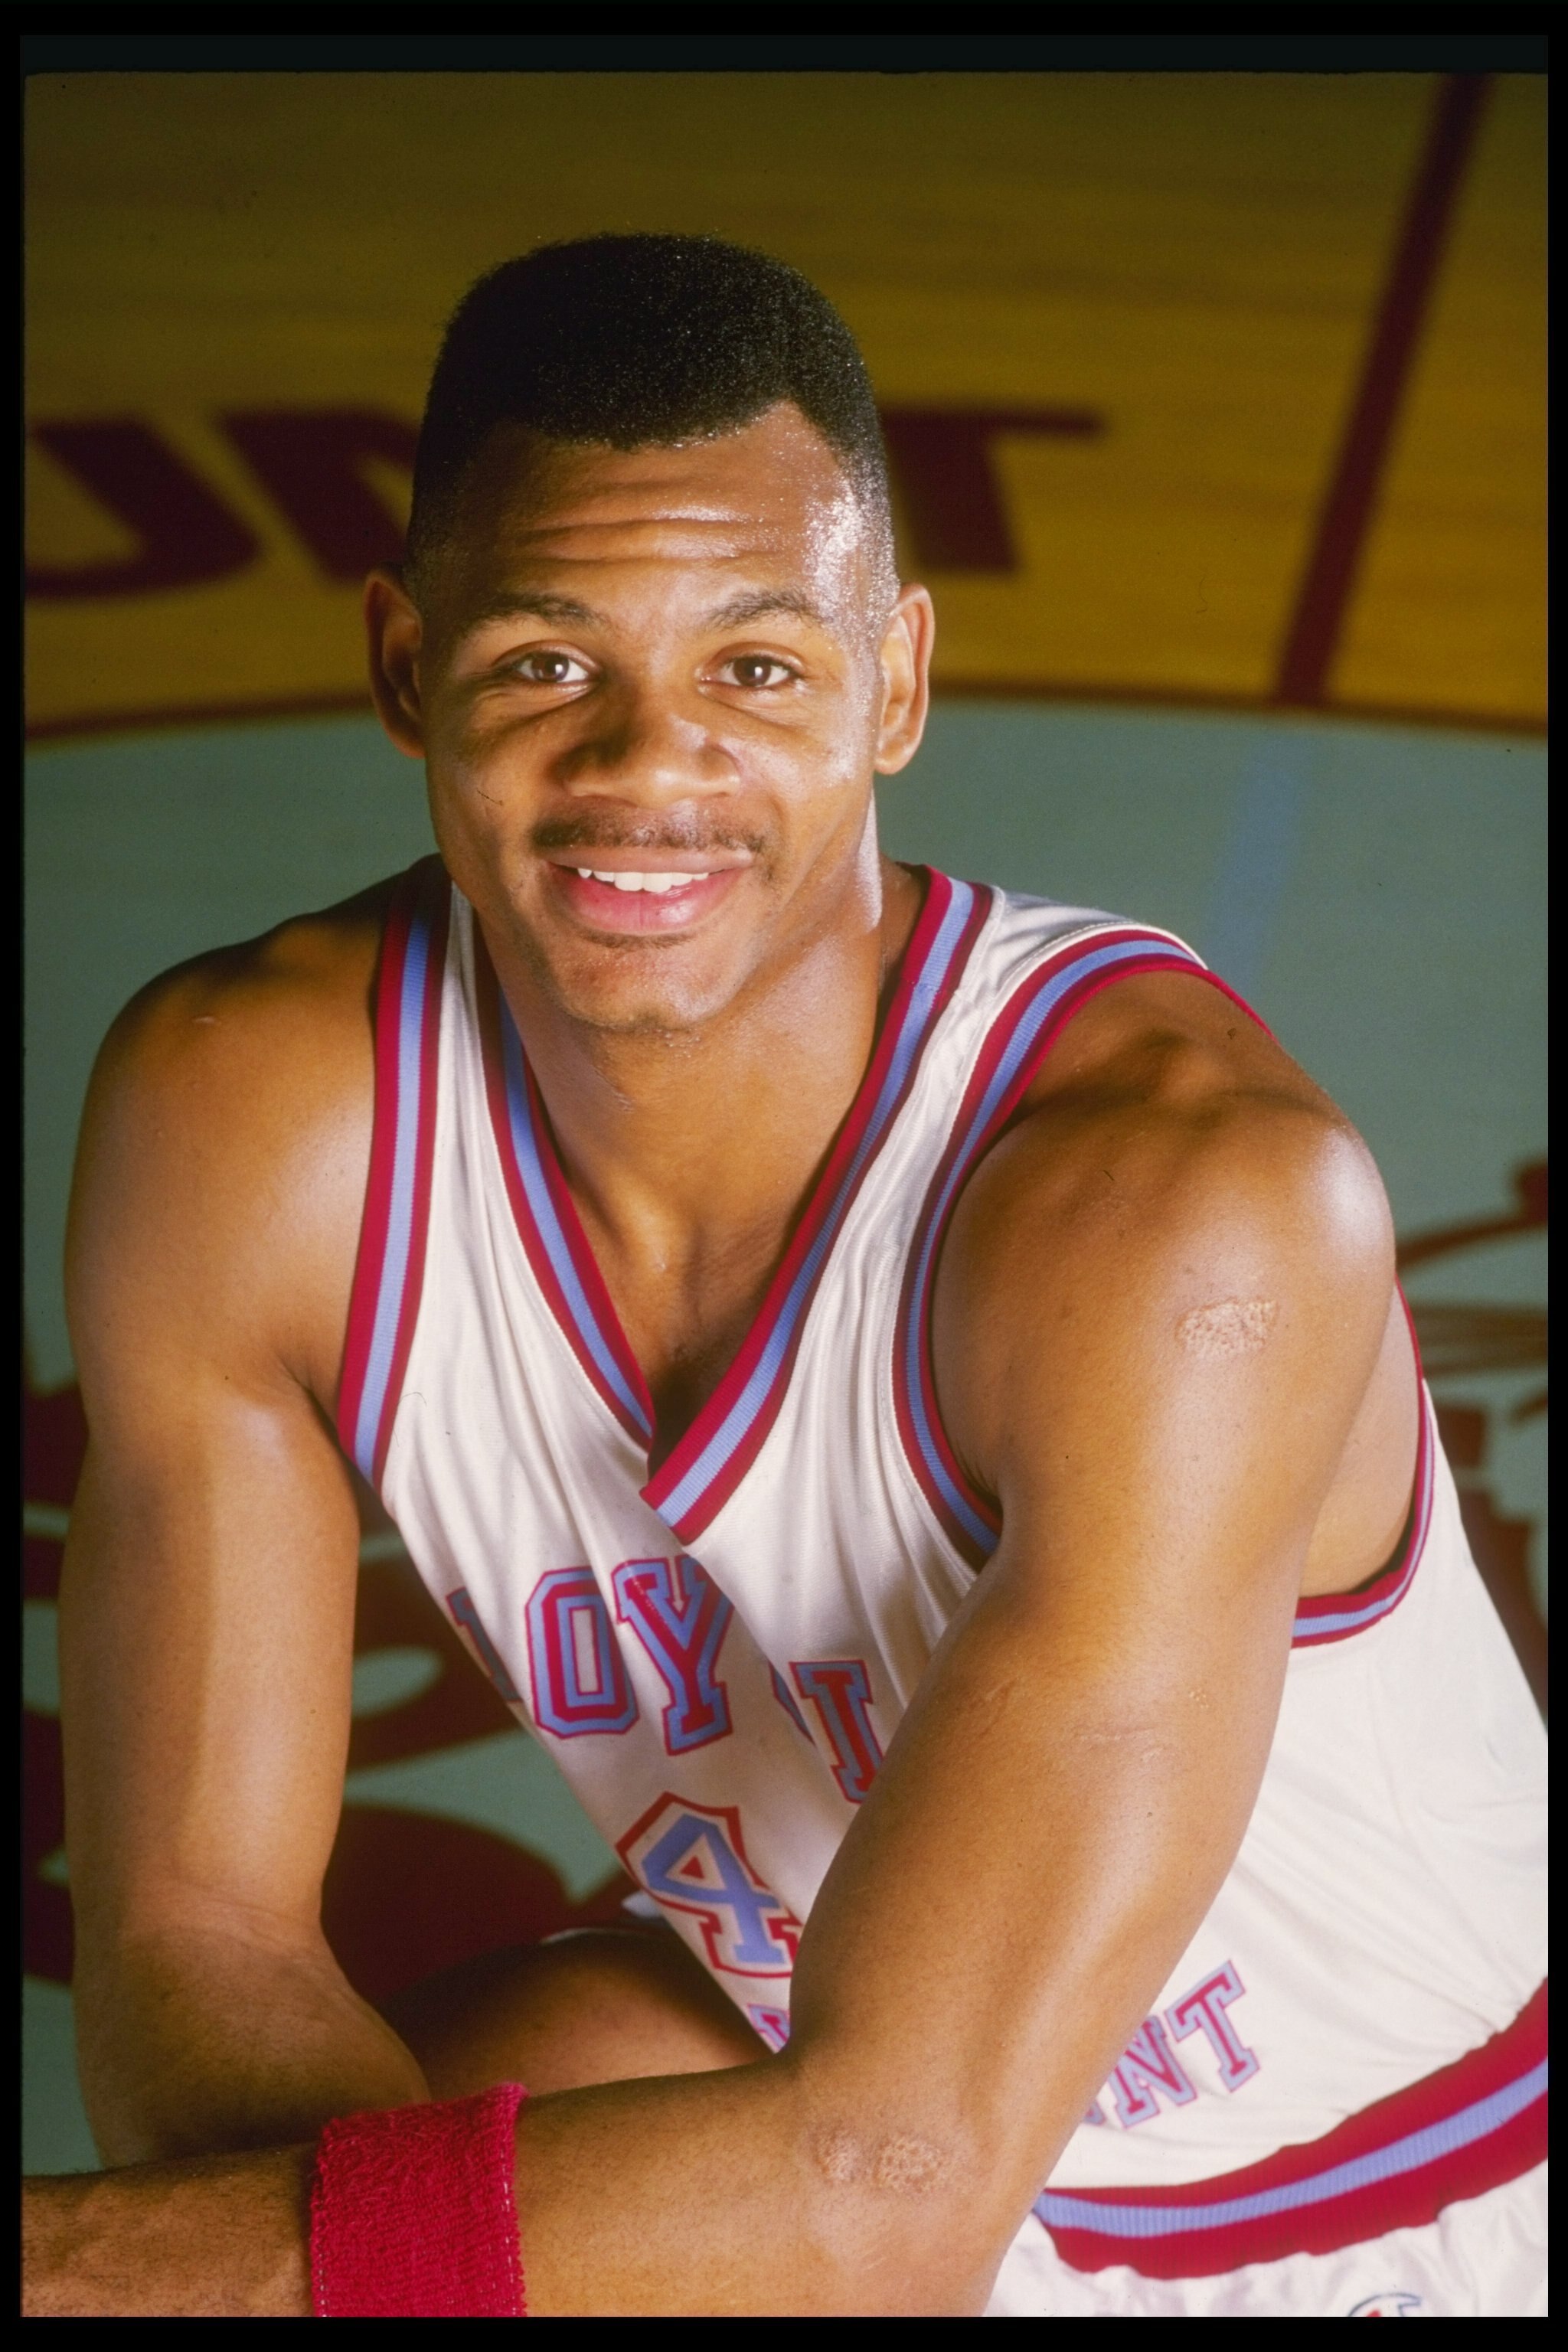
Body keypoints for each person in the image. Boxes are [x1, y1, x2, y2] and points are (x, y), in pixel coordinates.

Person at [26, 236, 1544, 2318]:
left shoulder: (1183, 1217)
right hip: (787, 2110)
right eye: (547, 662)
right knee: (405, 2146)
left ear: (896, 685)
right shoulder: (254, 1128)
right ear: (404, 668)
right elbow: (202, 1941)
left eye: (757, 668)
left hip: (1405, 2208)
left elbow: (889, 2193)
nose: (648, 768)